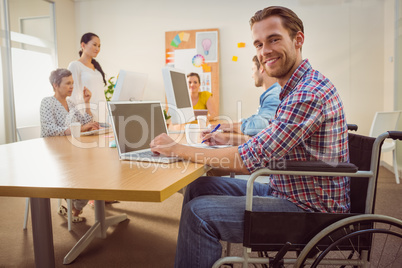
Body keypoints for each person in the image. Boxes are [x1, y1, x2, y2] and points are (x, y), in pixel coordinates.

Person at [150, 6, 349, 267]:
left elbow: (248, 160)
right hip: (285, 189)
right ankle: (202, 255)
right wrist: (227, 140)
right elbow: (269, 142)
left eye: (274, 39)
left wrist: (177, 148)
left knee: (198, 214)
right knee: (199, 187)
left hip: (309, 211)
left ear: (298, 40)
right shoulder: (295, 88)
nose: (265, 50)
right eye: (258, 43)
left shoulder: (307, 93)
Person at [40, 68, 99, 222]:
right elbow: (48, 130)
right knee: (87, 172)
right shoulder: (47, 102)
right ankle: (75, 207)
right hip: (56, 155)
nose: (72, 86)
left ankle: (75, 206)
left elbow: (85, 122)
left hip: (72, 151)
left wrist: (87, 102)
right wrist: (78, 129)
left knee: (95, 168)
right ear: (55, 85)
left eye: (72, 83)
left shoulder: (71, 103)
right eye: (67, 83)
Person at [215, 55, 281, 136]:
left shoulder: (274, 94)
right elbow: (256, 120)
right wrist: (226, 126)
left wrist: (229, 127)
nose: (252, 75)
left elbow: (259, 127)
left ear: (261, 69)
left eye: (253, 70)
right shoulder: (271, 93)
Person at [68, 32, 107, 123]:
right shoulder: (75, 65)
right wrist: (83, 119)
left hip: (103, 115)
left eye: (99, 46)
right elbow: (73, 96)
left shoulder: (97, 68)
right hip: (87, 116)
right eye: (94, 45)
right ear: (83, 45)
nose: (97, 48)